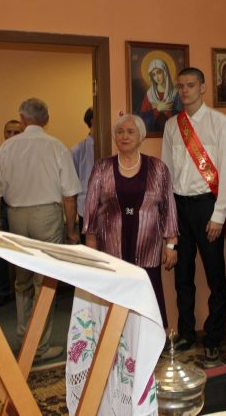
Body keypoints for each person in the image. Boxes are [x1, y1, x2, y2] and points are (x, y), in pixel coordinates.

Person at [0, 97, 81, 363]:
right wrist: (71, 230)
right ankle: (39, 345)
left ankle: (23, 335)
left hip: (16, 215)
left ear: (22, 118)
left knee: (22, 279)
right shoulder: (57, 146)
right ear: (46, 119)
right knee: (46, 280)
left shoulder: (7, 147)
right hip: (46, 216)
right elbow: (70, 196)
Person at [161, 67, 226, 368]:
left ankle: (214, 338)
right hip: (179, 206)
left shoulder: (220, 122)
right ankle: (187, 333)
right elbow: (166, 171)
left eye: (191, 85)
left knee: (216, 275)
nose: (185, 91)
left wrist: (219, 214)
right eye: (180, 86)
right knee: (183, 275)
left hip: (208, 206)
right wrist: (168, 216)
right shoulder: (172, 125)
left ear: (203, 87)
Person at [83, 114, 178, 327]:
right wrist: (91, 246)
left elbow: (168, 207)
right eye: (120, 132)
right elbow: (91, 208)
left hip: (147, 247)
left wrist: (171, 244)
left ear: (141, 136)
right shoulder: (102, 167)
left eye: (130, 131)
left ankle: (150, 340)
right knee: (114, 297)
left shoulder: (157, 167)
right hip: (111, 247)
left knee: (148, 296)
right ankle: (114, 340)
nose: (124, 136)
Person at [0, 118, 24, 307]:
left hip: (21, 208)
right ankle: (2, 291)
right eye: (8, 132)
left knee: (23, 252)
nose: (11, 135)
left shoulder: (28, 154)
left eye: (16, 132)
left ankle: (25, 292)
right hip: (0, 207)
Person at [71, 107, 95, 244]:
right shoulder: (77, 150)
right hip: (85, 209)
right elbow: (72, 187)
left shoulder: (113, 146)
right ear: (93, 120)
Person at [139, 58, 182, 132]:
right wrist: (158, 109)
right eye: (153, 75)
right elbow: (143, 119)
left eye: (159, 72)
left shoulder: (175, 93)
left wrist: (167, 112)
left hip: (172, 133)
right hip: (154, 134)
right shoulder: (149, 95)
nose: (157, 77)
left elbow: (181, 118)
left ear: (165, 72)